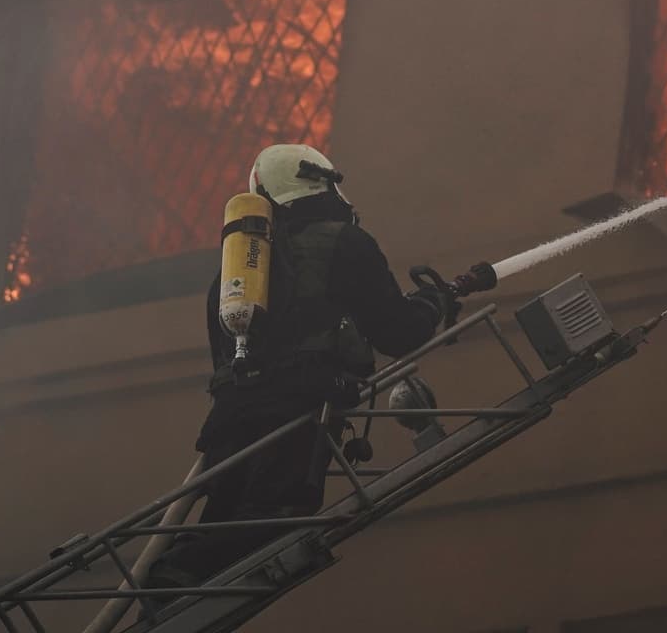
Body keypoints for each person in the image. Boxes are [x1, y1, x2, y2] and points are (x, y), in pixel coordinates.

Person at [146, 143, 453, 590]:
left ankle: (169, 578)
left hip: (229, 423)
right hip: (295, 412)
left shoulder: (230, 277)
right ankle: (172, 576)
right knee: (280, 516)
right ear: (325, 182)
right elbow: (398, 333)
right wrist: (433, 303)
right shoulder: (342, 243)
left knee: (223, 525)